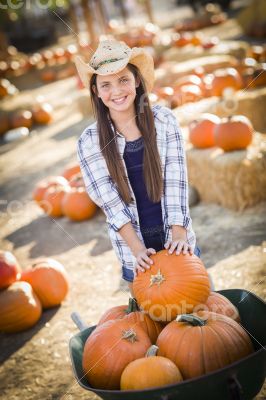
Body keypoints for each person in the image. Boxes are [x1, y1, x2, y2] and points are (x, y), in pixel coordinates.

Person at [75, 39, 202, 297]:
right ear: (96, 92)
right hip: (135, 253)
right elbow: (110, 203)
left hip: (176, 242)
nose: (116, 91)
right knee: (153, 330)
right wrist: (137, 250)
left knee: (196, 320)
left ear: (136, 81)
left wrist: (179, 234)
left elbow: (177, 181)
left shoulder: (164, 121)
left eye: (123, 79)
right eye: (106, 84)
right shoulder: (90, 141)